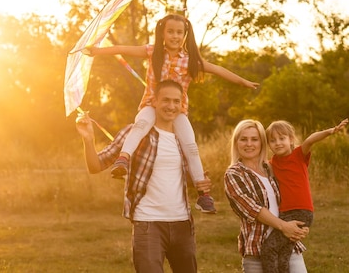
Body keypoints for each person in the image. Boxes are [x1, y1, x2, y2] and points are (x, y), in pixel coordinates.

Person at [85, 14, 259, 214]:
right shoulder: (153, 52)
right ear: (163, 33)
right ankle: (123, 159)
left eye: (179, 32)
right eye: (170, 31)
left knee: (191, 145)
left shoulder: (190, 60)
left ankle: (203, 195)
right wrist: (98, 51)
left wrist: (242, 81)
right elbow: (123, 49)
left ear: (185, 35)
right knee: (140, 126)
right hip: (151, 104)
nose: (175, 36)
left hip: (177, 111)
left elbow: (217, 69)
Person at [75, 80, 211, 273]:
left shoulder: (184, 139)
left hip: (182, 224)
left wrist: (201, 183)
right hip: (148, 224)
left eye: (176, 101)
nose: (171, 106)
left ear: (182, 104)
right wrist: (88, 139)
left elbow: (182, 179)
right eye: (165, 100)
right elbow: (96, 166)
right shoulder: (136, 133)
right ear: (154, 101)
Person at [261, 119, 349, 273]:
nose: (278, 143)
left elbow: (310, 139)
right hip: (284, 215)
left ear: (291, 140)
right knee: (283, 254)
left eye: (282, 138)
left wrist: (330, 131)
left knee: (269, 249)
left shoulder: (298, 155)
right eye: (272, 140)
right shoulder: (272, 163)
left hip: (301, 212)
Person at [224, 119, 310, 273]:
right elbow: (253, 209)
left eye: (254, 139)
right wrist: (285, 227)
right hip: (257, 250)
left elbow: (293, 196)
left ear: (262, 143)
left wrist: (300, 226)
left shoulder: (271, 168)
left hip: (288, 244)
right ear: (236, 143)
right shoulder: (234, 174)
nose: (249, 144)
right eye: (243, 139)